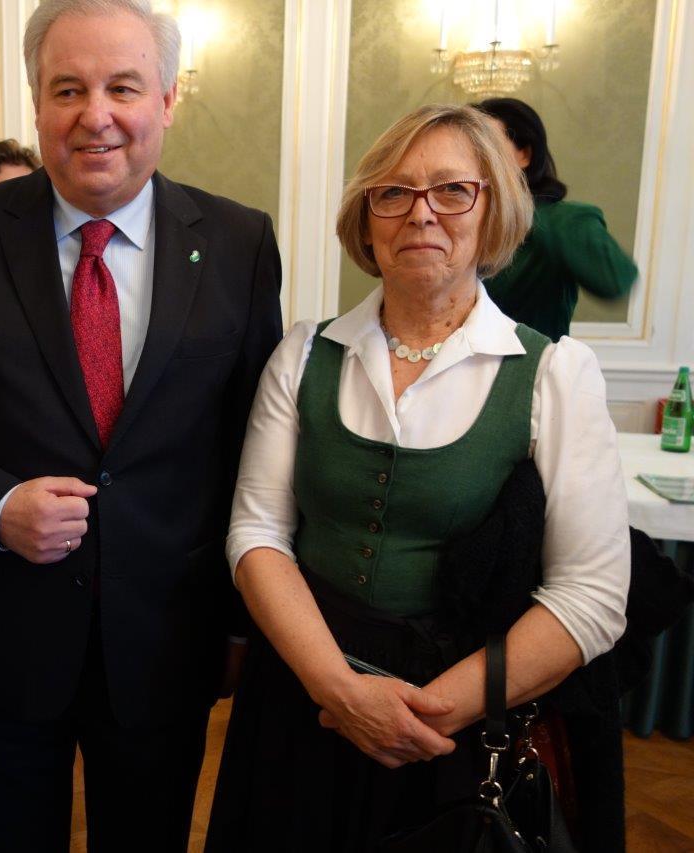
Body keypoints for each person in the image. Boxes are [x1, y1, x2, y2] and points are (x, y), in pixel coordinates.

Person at [0, 0, 283, 849]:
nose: (94, 115)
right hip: (6, 638)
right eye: (68, 89)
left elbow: (254, 450)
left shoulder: (240, 243)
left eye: (123, 88)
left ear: (167, 100)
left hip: (167, 642)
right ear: (37, 103)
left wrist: (241, 623)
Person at [205, 104, 630, 851]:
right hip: (302, 699)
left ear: (492, 210)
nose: (421, 213)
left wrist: (425, 714)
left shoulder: (554, 374)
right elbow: (258, 531)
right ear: (366, 220)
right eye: (393, 193)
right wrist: (339, 689)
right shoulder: (303, 354)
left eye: (452, 190)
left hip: (454, 729)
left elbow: (590, 596)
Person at [474, 97, 637, 341]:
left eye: (489, 146)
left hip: (529, 363)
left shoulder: (565, 220)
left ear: (525, 154)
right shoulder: (460, 221)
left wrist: (545, 220)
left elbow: (616, 281)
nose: (477, 157)